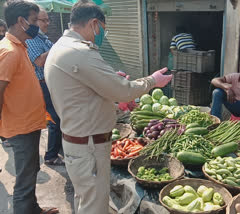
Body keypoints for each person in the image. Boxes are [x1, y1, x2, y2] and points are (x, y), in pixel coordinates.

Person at [44, 2, 172, 214]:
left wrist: (113, 94)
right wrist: (152, 80)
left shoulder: (60, 46)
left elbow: (83, 93)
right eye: (103, 28)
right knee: (94, 205)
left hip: (78, 141)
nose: (102, 34)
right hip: (89, 146)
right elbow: (123, 91)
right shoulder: (80, 51)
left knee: (86, 199)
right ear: (94, 23)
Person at [0, 1, 59, 214]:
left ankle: (33, 209)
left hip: (29, 123)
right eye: (34, 21)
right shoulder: (8, 51)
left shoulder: (20, 46)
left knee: (31, 171)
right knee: (24, 180)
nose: (37, 25)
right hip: (20, 126)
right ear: (21, 21)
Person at [26, 9, 63, 165]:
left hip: (51, 84)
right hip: (43, 85)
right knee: (54, 119)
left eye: (48, 20)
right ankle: (51, 156)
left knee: (59, 117)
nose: (47, 23)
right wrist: (57, 47)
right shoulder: (31, 40)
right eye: (42, 20)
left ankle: (58, 148)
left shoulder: (43, 38)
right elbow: (39, 61)